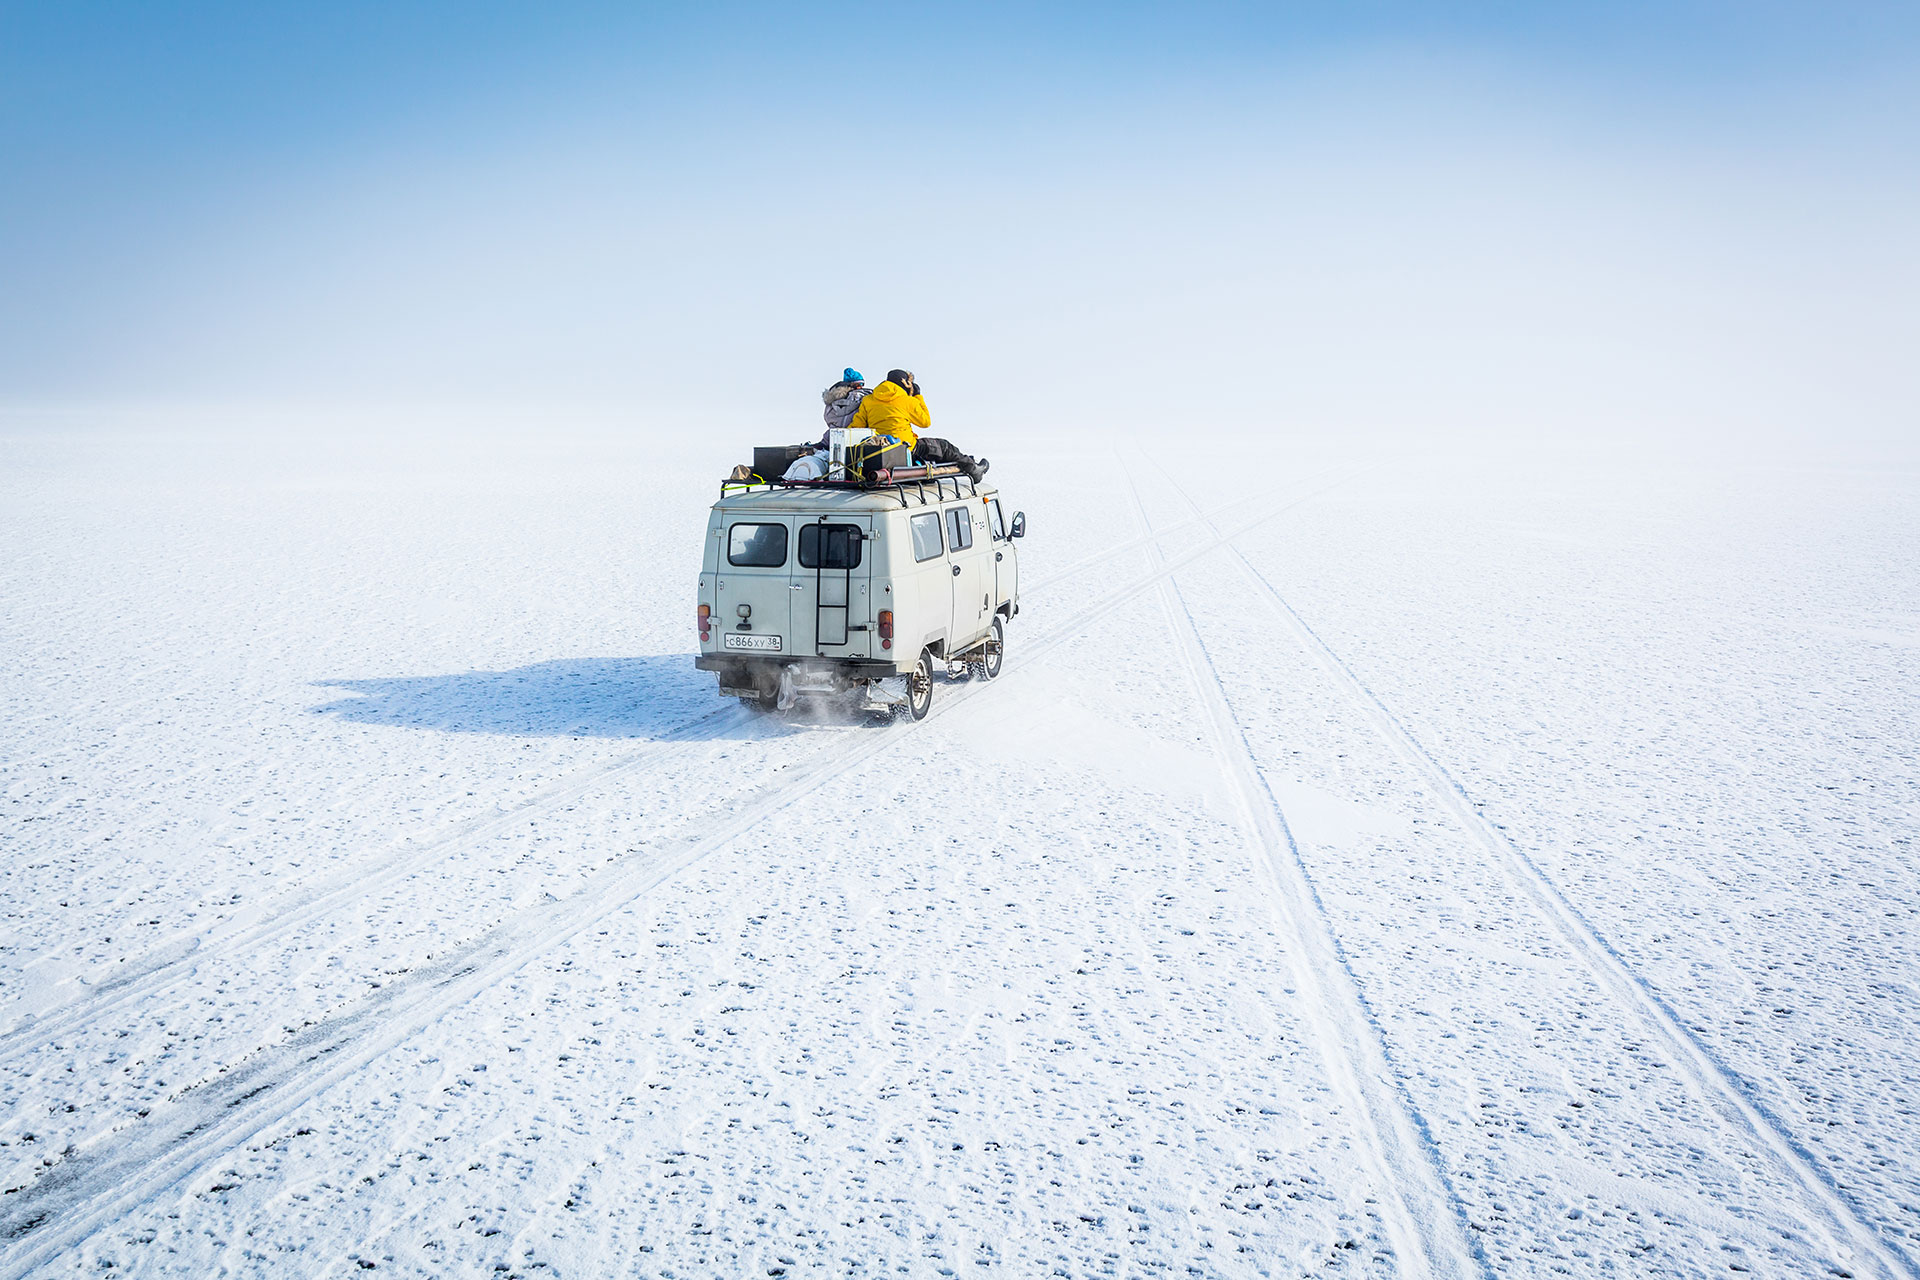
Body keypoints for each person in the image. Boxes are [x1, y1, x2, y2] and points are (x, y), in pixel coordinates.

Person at [847, 369, 988, 483]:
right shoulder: (907, 400)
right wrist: (918, 397)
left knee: (940, 448)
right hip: (907, 447)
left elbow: (856, 427)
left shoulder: (869, 400)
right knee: (944, 447)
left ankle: (969, 462)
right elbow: (925, 421)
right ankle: (974, 470)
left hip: (880, 449)